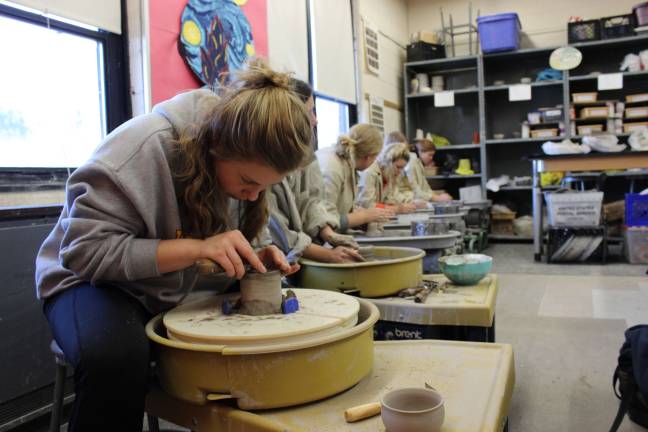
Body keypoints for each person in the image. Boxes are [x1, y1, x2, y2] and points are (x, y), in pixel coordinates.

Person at [34, 59, 312, 432]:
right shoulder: (143, 146)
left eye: (264, 187)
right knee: (116, 359)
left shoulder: (239, 167)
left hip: (167, 283)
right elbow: (84, 252)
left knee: (273, 314)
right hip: (89, 281)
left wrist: (251, 253)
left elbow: (226, 233)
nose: (253, 195)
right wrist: (199, 249)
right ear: (217, 145)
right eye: (248, 182)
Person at [268, 78, 362, 263]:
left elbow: (311, 200)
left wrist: (327, 233)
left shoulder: (306, 154)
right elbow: (273, 226)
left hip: (300, 256)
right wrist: (327, 255)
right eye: (309, 112)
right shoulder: (267, 158)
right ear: (291, 115)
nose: (315, 120)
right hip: (277, 260)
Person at [316, 124, 394, 232]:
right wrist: (363, 216)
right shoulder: (332, 168)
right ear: (367, 157)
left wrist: (358, 215)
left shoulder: (349, 165)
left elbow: (340, 211)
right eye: (375, 158)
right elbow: (322, 222)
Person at [357, 142, 417, 213]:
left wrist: (406, 203)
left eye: (402, 168)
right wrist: (396, 209)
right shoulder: (370, 172)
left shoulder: (389, 175)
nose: (400, 172)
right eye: (398, 167)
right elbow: (367, 205)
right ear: (387, 162)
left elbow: (390, 198)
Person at [406, 138, 452, 202]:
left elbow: (425, 187)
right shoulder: (411, 164)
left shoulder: (419, 164)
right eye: (430, 155)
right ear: (421, 152)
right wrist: (436, 198)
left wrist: (437, 196)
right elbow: (415, 191)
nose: (431, 158)